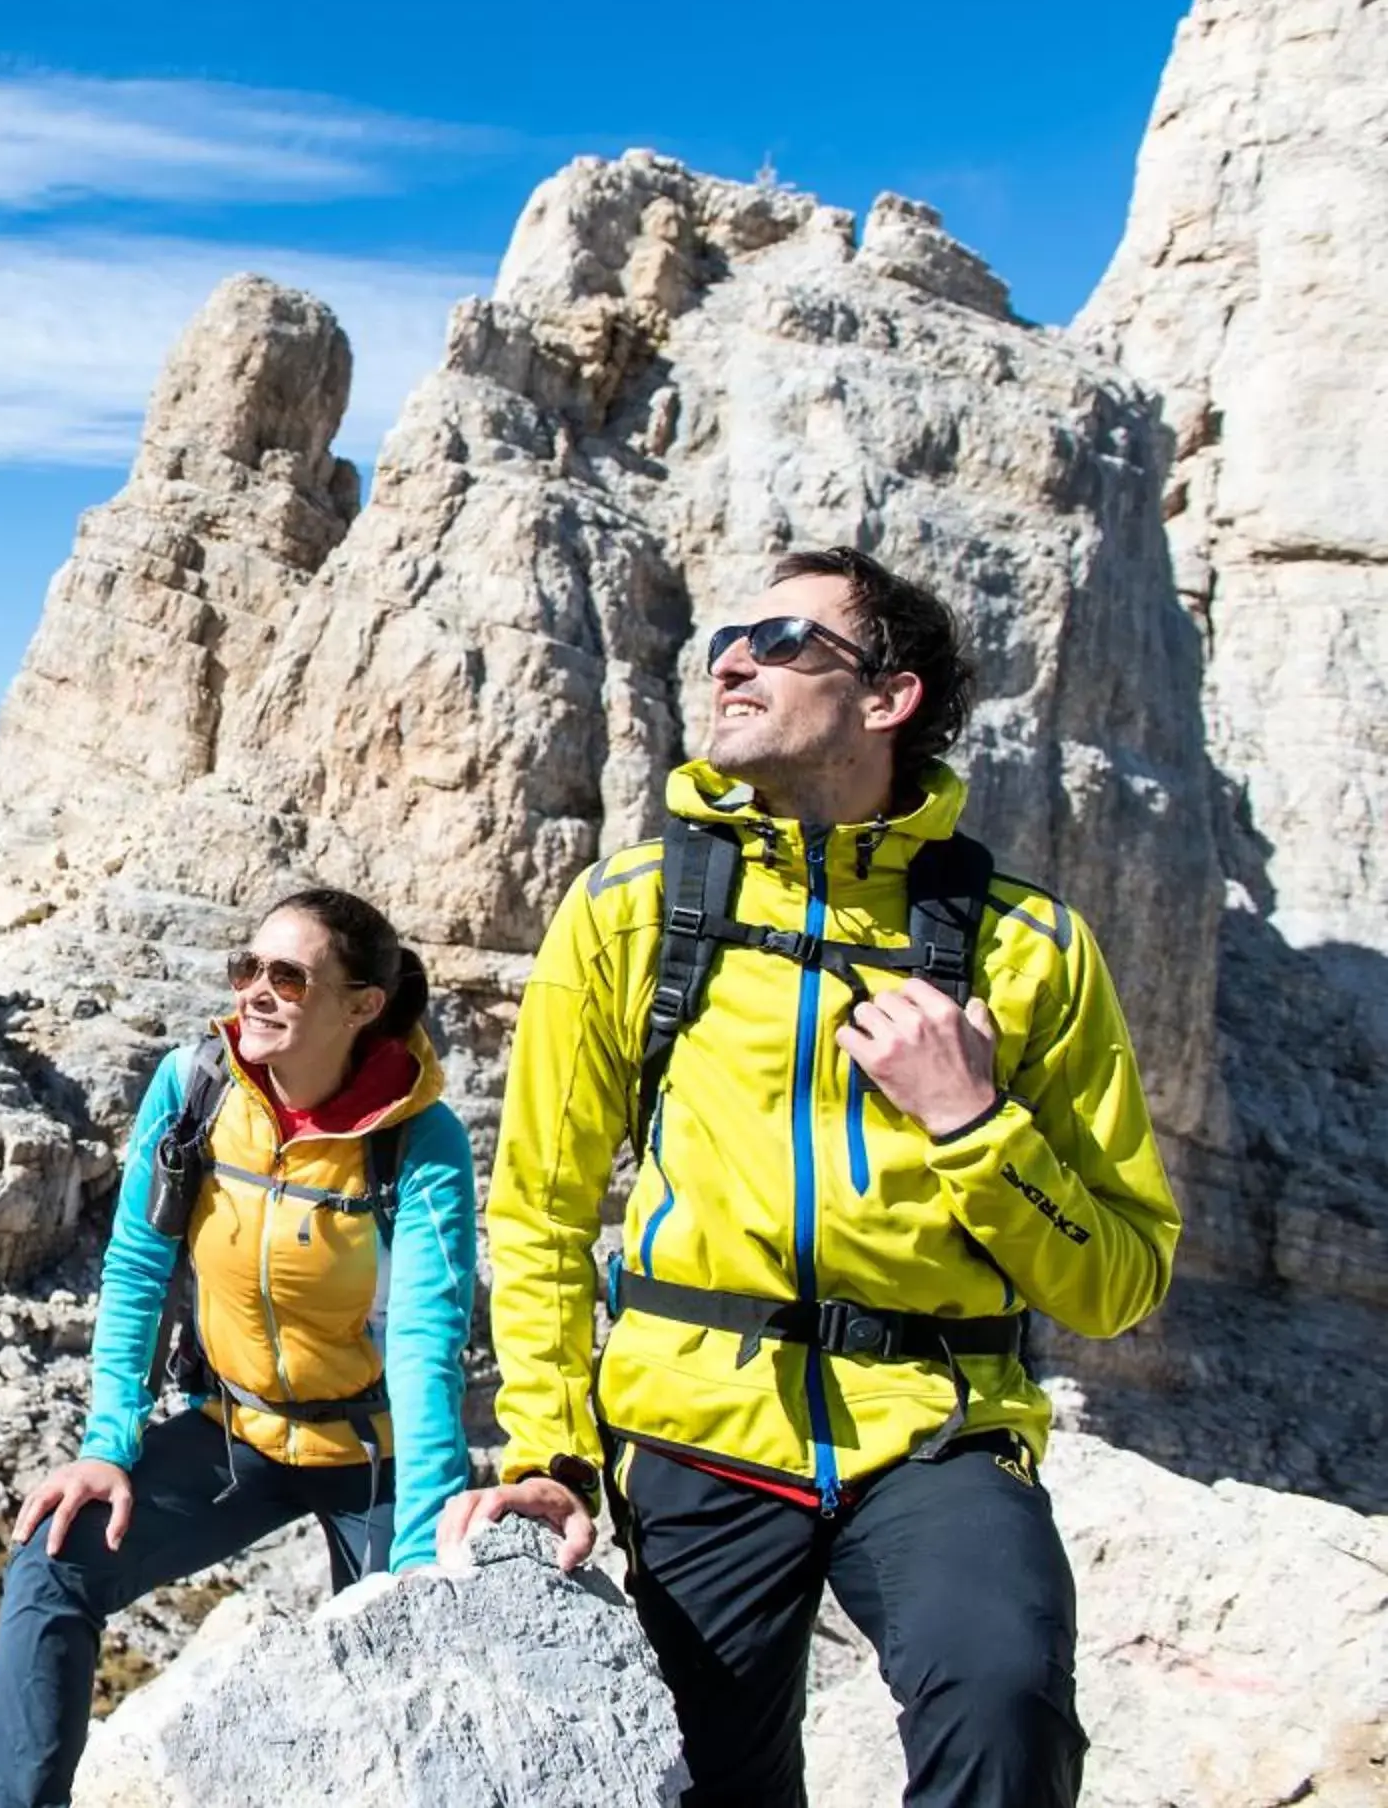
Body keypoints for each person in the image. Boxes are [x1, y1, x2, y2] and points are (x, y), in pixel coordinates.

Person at [448, 547, 1181, 1808]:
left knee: (1003, 1698)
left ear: (887, 699)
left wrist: (971, 1118)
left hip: (938, 1425)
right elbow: (540, 1206)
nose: (733, 656)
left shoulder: (1031, 945)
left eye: (784, 641)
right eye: (732, 634)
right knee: (709, 1779)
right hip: (694, 1428)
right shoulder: (632, 910)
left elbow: (1121, 1281)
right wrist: (551, 1453)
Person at [0, 887, 478, 1808]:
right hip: (234, 1429)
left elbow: (425, 1339)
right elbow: (137, 1265)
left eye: (288, 975)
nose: (256, 993)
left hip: (378, 1453)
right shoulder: (197, 1086)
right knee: (53, 1559)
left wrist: (426, 1541)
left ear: (362, 1005)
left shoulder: (418, 1136)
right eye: (249, 969)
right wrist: (106, 1446)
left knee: (415, 1673)